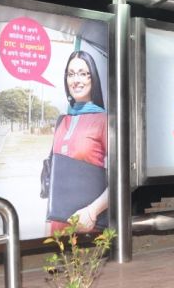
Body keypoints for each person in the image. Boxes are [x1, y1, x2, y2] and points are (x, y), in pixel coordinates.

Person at [46, 50, 108, 233]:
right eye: (71, 74)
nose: (76, 80)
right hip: (57, 225)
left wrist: (92, 211)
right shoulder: (61, 121)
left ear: (93, 78)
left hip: (87, 224)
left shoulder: (104, 120)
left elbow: (121, 180)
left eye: (83, 73)